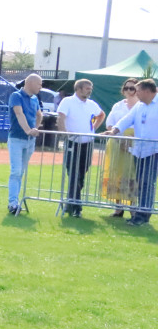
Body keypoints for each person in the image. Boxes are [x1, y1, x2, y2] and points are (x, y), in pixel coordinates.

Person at [108, 78, 158, 226]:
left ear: (147, 91)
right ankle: (141, 215)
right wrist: (114, 130)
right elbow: (127, 119)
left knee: (147, 183)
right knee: (141, 183)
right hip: (139, 150)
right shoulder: (139, 106)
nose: (136, 94)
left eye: (138, 91)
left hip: (154, 151)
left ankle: (142, 215)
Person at [56, 79, 104, 217]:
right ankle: (76, 207)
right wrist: (64, 133)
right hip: (73, 143)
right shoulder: (67, 101)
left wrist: (93, 129)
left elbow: (101, 115)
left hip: (87, 143)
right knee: (73, 174)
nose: (90, 90)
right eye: (87, 88)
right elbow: (61, 118)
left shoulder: (91, 104)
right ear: (78, 89)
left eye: (91, 88)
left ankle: (70, 204)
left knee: (81, 175)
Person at [6, 74, 43, 215]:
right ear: (31, 83)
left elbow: (39, 115)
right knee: (16, 171)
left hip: (29, 141)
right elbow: (19, 113)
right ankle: (13, 203)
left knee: (20, 172)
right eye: (39, 84)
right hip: (16, 138)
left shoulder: (35, 99)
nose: (41, 87)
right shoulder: (16, 96)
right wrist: (28, 130)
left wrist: (35, 128)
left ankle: (15, 201)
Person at [103, 78, 139, 217]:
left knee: (132, 176)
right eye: (127, 88)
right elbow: (110, 124)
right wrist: (119, 139)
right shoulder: (118, 106)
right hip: (117, 143)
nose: (129, 91)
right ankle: (118, 208)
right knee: (116, 175)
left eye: (132, 88)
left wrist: (130, 140)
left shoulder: (141, 106)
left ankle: (133, 208)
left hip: (134, 143)